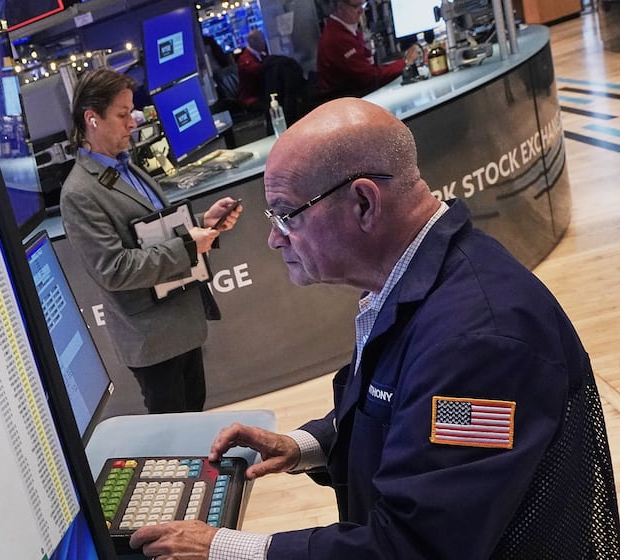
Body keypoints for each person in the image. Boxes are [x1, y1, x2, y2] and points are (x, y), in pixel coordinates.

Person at [130, 97, 620, 558]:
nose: (274, 239)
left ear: (364, 203)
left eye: (285, 215)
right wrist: (308, 445)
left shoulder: (475, 342)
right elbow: (411, 420)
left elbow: (416, 546)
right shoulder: (417, 285)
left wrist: (224, 547)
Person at [59, 68, 242, 414]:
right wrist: (189, 245)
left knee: (195, 419)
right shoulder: (79, 193)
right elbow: (113, 269)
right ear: (91, 119)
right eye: (123, 114)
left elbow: (156, 228)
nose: (133, 123)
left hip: (180, 322)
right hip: (151, 337)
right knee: (177, 440)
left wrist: (205, 222)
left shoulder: (127, 166)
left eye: (133, 113)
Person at [316, 0, 416, 98]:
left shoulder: (348, 29)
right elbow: (369, 78)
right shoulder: (337, 38)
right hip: (350, 100)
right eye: (356, 7)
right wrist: (405, 63)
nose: (361, 11)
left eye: (362, 5)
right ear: (338, 6)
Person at [237, 29, 268, 111]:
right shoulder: (245, 60)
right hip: (251, 99)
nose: (264, 42)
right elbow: (259, 70)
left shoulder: (261, 54)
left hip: (263, 94)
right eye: (261, 39)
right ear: (252, 41)